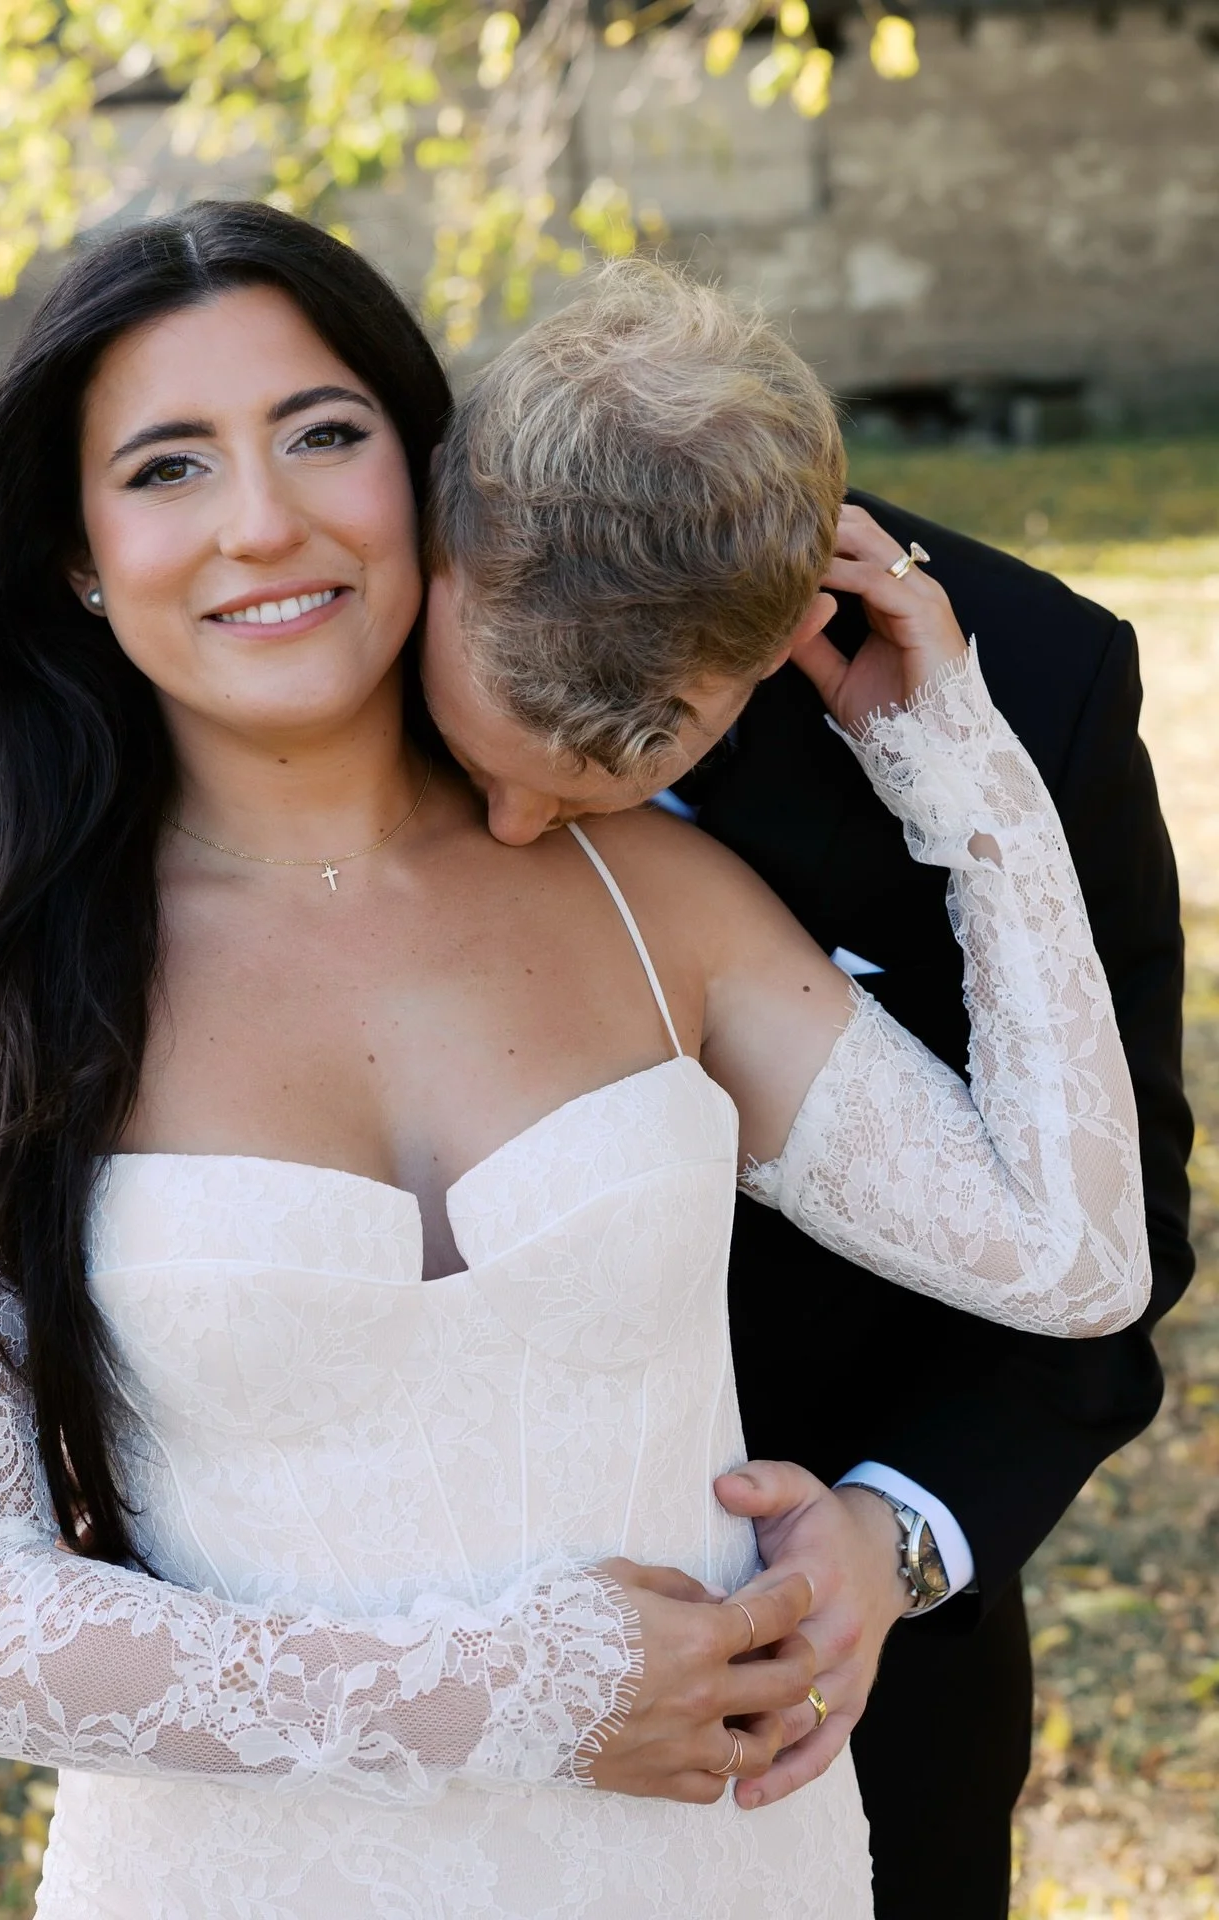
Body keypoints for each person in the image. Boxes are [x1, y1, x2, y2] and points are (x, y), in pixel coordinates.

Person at [0, 203, 1150, 1920]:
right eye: (167, 468)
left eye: (323, 436)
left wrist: (956, 779)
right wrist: (521, 1694)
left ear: (431, 475)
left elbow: (1073, 1261)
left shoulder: (653, 889)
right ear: (79, 554)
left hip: (722, 1864)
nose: (264, 521)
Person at [420, 260, 1194, 1916]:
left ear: (775, 645)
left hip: (832, 1681)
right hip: (419, 1626)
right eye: (480, 760)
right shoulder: (364, 590)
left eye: (588, 788)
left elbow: (1124, 1256)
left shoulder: (1042, 691)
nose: (502, 836)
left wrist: (887, 1539)